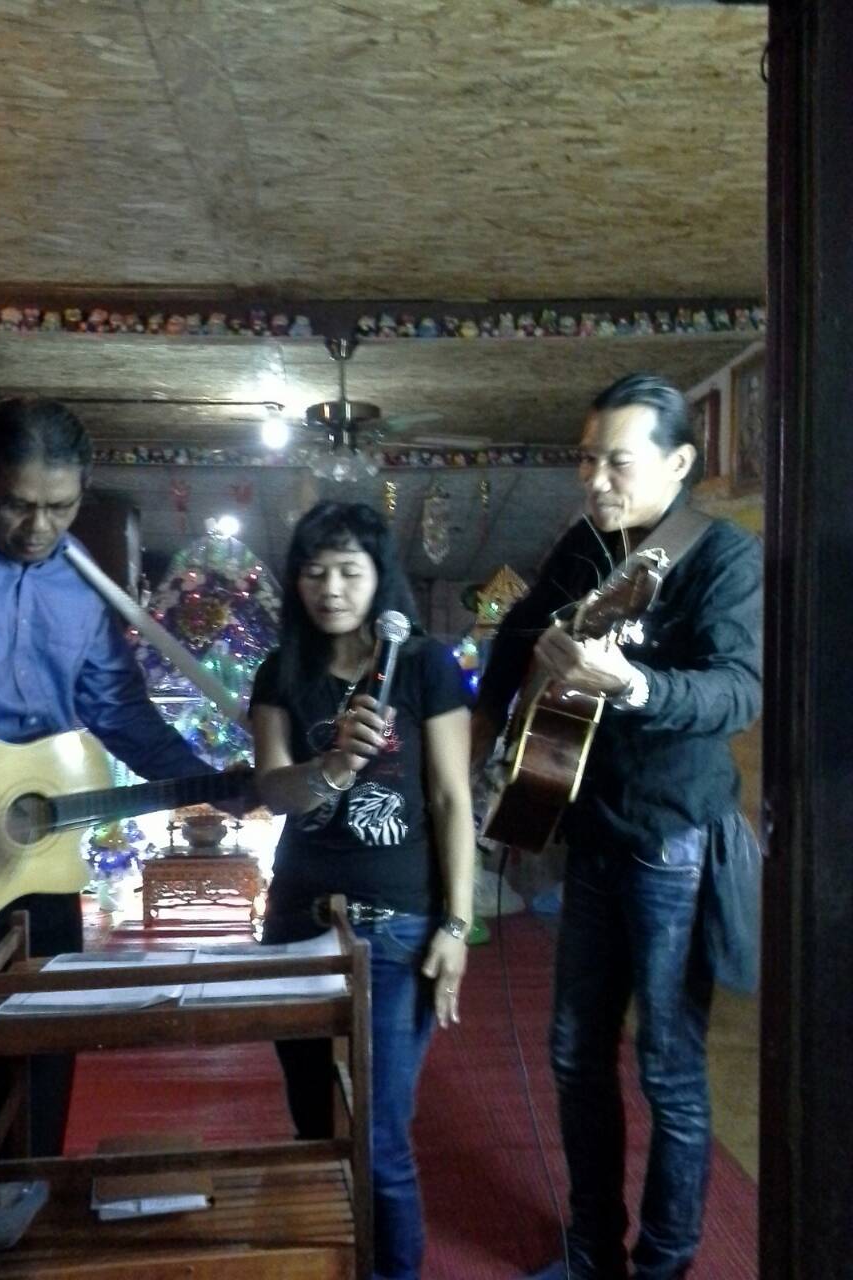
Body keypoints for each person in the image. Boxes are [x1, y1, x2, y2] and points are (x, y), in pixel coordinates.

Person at [472, 374, 762, 1280]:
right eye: (587, 459)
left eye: (618, 463)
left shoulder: (721, 556)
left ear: (680, 463)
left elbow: (738, 692)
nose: (595, 480)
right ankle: (593, 1253)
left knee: (668, 1068)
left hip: (674, 837)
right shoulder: (583, 546)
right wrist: (494, 722)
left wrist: (633, 686)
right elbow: (514, 636)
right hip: (589, 829)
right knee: (573, 1055)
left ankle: (664, 1265)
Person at [0, 397, 235, 1156]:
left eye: (61, 507)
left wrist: (209, 780)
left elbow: (120, 712)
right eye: (17, 504)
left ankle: (28, 1190)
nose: (38, 527)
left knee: (47, 1042)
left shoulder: (81, 583)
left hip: (40, 851)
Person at [250, 500, 474, 1280]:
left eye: (349, 570)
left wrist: (457, 925)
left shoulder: (425, 666)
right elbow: (274, 791)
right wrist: (335, 766)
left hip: (397, 927)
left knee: (378, 1138)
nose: (332, 588)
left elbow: (451, 799)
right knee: (315, 1126)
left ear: (381, 577)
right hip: (296, 923)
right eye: (314, 572)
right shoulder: (281, 670)